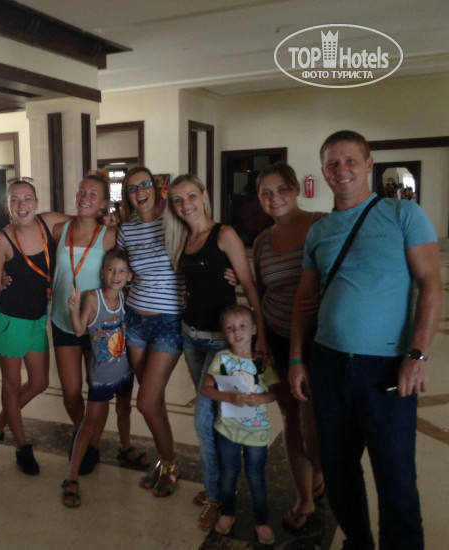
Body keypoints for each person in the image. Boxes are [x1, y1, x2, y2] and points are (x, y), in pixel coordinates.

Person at [290, 130, 442, 549]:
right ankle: (357, 542)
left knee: (395, 476)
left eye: (350, 161)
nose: (342, 170)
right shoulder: (319, 231)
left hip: (387, 368)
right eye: (332, 163)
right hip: (328, 363)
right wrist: (297, 360)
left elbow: (431, 285)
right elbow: (304, 300)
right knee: (338, 470)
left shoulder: (403, 215)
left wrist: (417, 355)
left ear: (369, 165)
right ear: (323, 171)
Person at [164, 173, 268, 528]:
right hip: (191, 336)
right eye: (178, 200)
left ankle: (215, 495)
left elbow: (248, 284)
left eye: (191, 196)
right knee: (214, 415)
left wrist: (259, 334)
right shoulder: (184, 237)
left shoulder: (224, 234)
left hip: (221, 342)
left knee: (203, 416)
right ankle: (222, 485)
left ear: (204, 195)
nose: (186, 204)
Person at [50, 170, 146, 475]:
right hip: (64, 320)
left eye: (93, 194)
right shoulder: (60, 229)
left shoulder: (109, 234)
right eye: (81, 191)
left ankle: (89, 442)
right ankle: (86, 433)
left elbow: (133, 261)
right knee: (70, 392)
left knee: (97, 388)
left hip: (98, 324)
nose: (84, 198)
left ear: (104, 202)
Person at [252, 161, 326, 530]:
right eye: (266, 193)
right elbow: (260, 292)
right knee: (290, 420)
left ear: (296, 189)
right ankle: (304, 499)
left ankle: (320, 471)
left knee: (314, 432)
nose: (274, 198)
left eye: (281, 189)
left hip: (319, 343)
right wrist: (262, 337)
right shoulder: (261, 242)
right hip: (279, 339)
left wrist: (323, 297)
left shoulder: (321, 224)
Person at [0, 178, 68, 475]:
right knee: (12, 384)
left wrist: (109, 219)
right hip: (10, 320)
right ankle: (22, 447)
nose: (22, 205)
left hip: (37, 319)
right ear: (8, 207)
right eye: (15, 200)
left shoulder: (48, 223)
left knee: (40, 382)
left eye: (27, 198)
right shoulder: (2, 240)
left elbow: (81, 222)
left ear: (36, 202)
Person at [116, 166, 185, 497]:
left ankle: (171, 463)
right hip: (135, 322)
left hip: (168, 323)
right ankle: (166, 461)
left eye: (144, 185)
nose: (139, 191)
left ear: (156, 189)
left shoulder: (174, 221)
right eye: (132, 188)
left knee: (144, 402)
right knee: (154, 399)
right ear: (127, 197)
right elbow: (116, 268)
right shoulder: (126, 232)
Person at [62, 249, 135, 507]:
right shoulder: (93, 298)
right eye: (111, 270)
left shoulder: (126, 297)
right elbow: (79, 330)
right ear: (103, 273)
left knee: (124, 410)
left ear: (129, 276)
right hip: (101, 375)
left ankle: (125, 447)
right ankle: (71, 476)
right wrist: (74, 309)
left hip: (125, 371)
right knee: (90, 424)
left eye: (122, 271)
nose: (116, 275)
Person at [200, 304, 278, 546]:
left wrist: (261, 398)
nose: (237, 332)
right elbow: (206, 388)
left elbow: (275, 391)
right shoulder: (222, 358)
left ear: (254, 329)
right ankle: (227, 513)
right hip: (228, 430)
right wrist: (228, 397)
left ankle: (261, 521)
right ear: (224, 332)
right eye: (230, 328)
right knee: (228, 474)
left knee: (256, 477)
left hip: (257, 432)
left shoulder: (262, 361)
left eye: (243, 326)